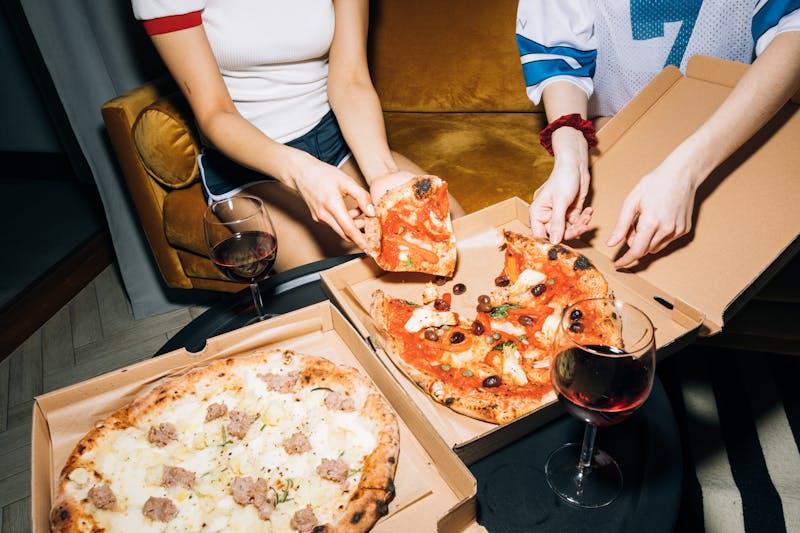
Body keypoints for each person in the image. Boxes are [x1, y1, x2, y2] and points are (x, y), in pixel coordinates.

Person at [131, 0, 464, 271]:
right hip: (249, 164)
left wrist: (382, 174)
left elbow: (351, 79)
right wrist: (300, 171)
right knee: (342, 278)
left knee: (457, 231)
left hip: (339, 138)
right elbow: (215, 113)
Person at [516, 1, 800, 268]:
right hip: (614, 131)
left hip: (737, 134)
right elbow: (558, 51)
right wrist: (570, 155)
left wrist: (686, 171)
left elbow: (792, 30)